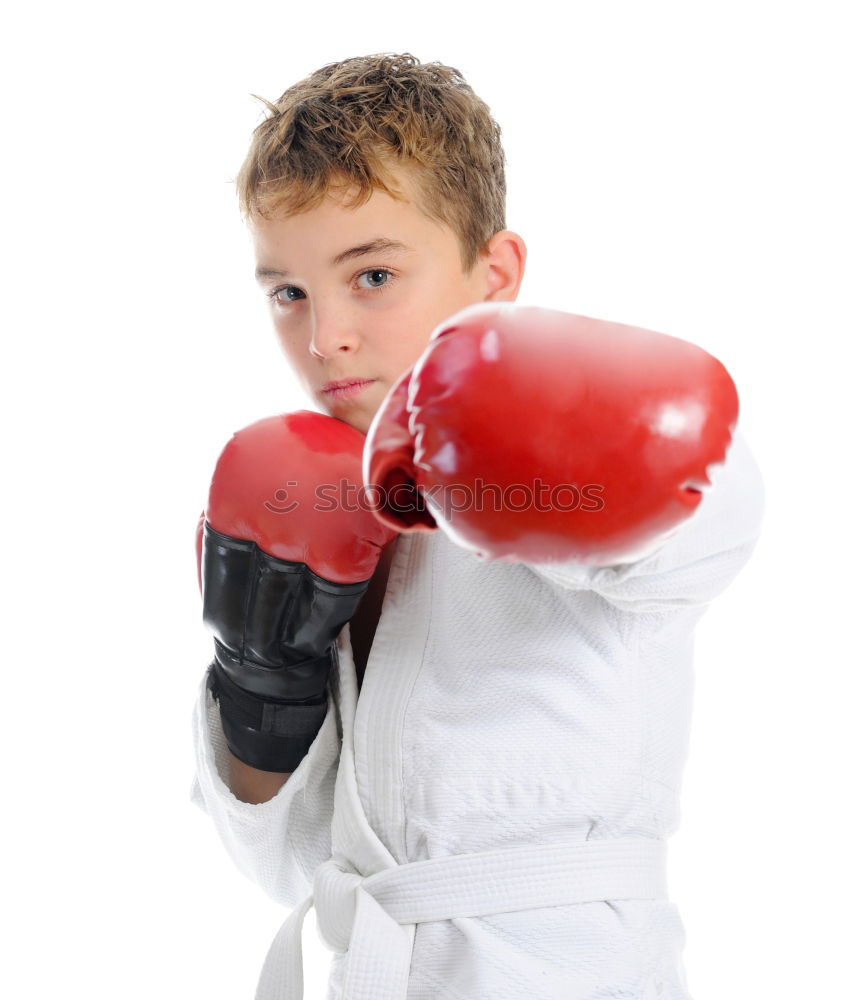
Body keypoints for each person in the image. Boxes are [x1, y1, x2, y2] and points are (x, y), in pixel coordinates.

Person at [191, 53, 764, 1000]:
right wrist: (261, 675)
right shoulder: (312, 501)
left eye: (371, 274)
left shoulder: (572, 437)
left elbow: (702, 524)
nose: (324, 334)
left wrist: (546, 441)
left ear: (494, 273)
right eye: (287, 293)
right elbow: (296, 869)